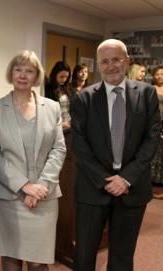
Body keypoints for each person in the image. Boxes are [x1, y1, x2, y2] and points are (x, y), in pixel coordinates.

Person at [70, 39, 161, 271]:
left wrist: (126, 178)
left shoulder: (147, 93)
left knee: (122, 256)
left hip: (133, 188)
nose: (111, 66)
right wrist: (106, 180)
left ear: (127, 61)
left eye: (116, 60)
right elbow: (79, 144)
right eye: (105, 61)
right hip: (92, 188)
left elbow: (151, 139)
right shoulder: (84, 98)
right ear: (99, 65)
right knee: (84, 255)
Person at [0, 50, 66, 271]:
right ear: (11, 73)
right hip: (6, 196)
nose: (22, 75)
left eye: (29, 70)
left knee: (39, 261)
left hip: (43, 195)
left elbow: (58, 149)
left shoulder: (52, 107)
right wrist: (24, 186)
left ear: (36, 76)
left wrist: (40, 186)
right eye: (18, 69)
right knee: (11, 256)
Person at [44, 61, 72, 129]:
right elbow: (47, 113)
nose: (64, 79)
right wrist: (60, 124)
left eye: (66, 77)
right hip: (57, 126)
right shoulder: (48, 89)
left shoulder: (66, 88)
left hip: (68, 124)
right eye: (61, 77)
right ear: (55, 75)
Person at [150, 66, 163, 197]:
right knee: (154, 154)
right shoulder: (150, 89)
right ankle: (153, 182)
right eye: (157, 74)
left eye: (162, 74)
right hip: (155, 123)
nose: (160, 76)